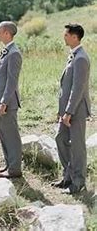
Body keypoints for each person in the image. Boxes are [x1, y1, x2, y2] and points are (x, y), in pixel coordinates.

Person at [53, 23, 91, 194]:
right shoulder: (73, 55)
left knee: (77, 146)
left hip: (76, 110)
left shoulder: (81, 58)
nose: (64, 37)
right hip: (67, 110)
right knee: (60, 138)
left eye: (66, 34)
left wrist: (69, 112)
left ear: (75, 37)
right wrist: (62, 110)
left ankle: (78, 182)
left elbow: (78, 88)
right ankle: (68, 176)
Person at [0, 21, 23, 179]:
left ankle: (15, 168)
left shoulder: (14, 53)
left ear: (7, 33)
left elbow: (12, 81)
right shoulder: (6, 51)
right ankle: (9, 165)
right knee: (3, 134)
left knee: (11, 135)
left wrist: (3, 101)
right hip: (0, 101)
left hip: (8, 103)